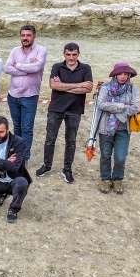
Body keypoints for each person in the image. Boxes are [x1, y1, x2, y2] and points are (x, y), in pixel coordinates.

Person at [35, 43, 93, 184]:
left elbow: (88, 89)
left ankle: (67, 169)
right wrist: (79, 84)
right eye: (68, 54)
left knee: (71, 141)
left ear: (78, 54)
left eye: (74, 54)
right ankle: (47, 165)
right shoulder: (57, 67)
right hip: (56, 109)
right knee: (50, 139)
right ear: (64, 54)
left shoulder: (86, 68)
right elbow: (53, 85)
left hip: (75, 110)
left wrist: (63, 86)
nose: (71, 57)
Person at [4, 24, 47, 163]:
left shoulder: (41, 50)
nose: (25, 38)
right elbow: (6, 68)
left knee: (27, 128)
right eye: (23, 35)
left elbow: (37, 67)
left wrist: (18, 65)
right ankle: (17, 155)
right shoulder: (15, 51)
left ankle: (25, 158)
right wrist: (28, 68)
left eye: (28, 35)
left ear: (34, 36)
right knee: (17, 127)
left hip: (29, 96)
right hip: (13, 95)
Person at [97, 63, 140, 195]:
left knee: (120, 157)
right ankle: (105, 179)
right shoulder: (105, 87)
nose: (123, 76)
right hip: (106, 127)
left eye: (126, 74)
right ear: (115, 74)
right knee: (105, 155)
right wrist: (123, 106)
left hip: (123, 128)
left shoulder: (133, 88)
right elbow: (100, 104)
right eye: (120, 74)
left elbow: (135, 107)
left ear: (129, 75)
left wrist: (113, 109)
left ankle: (117, 179)